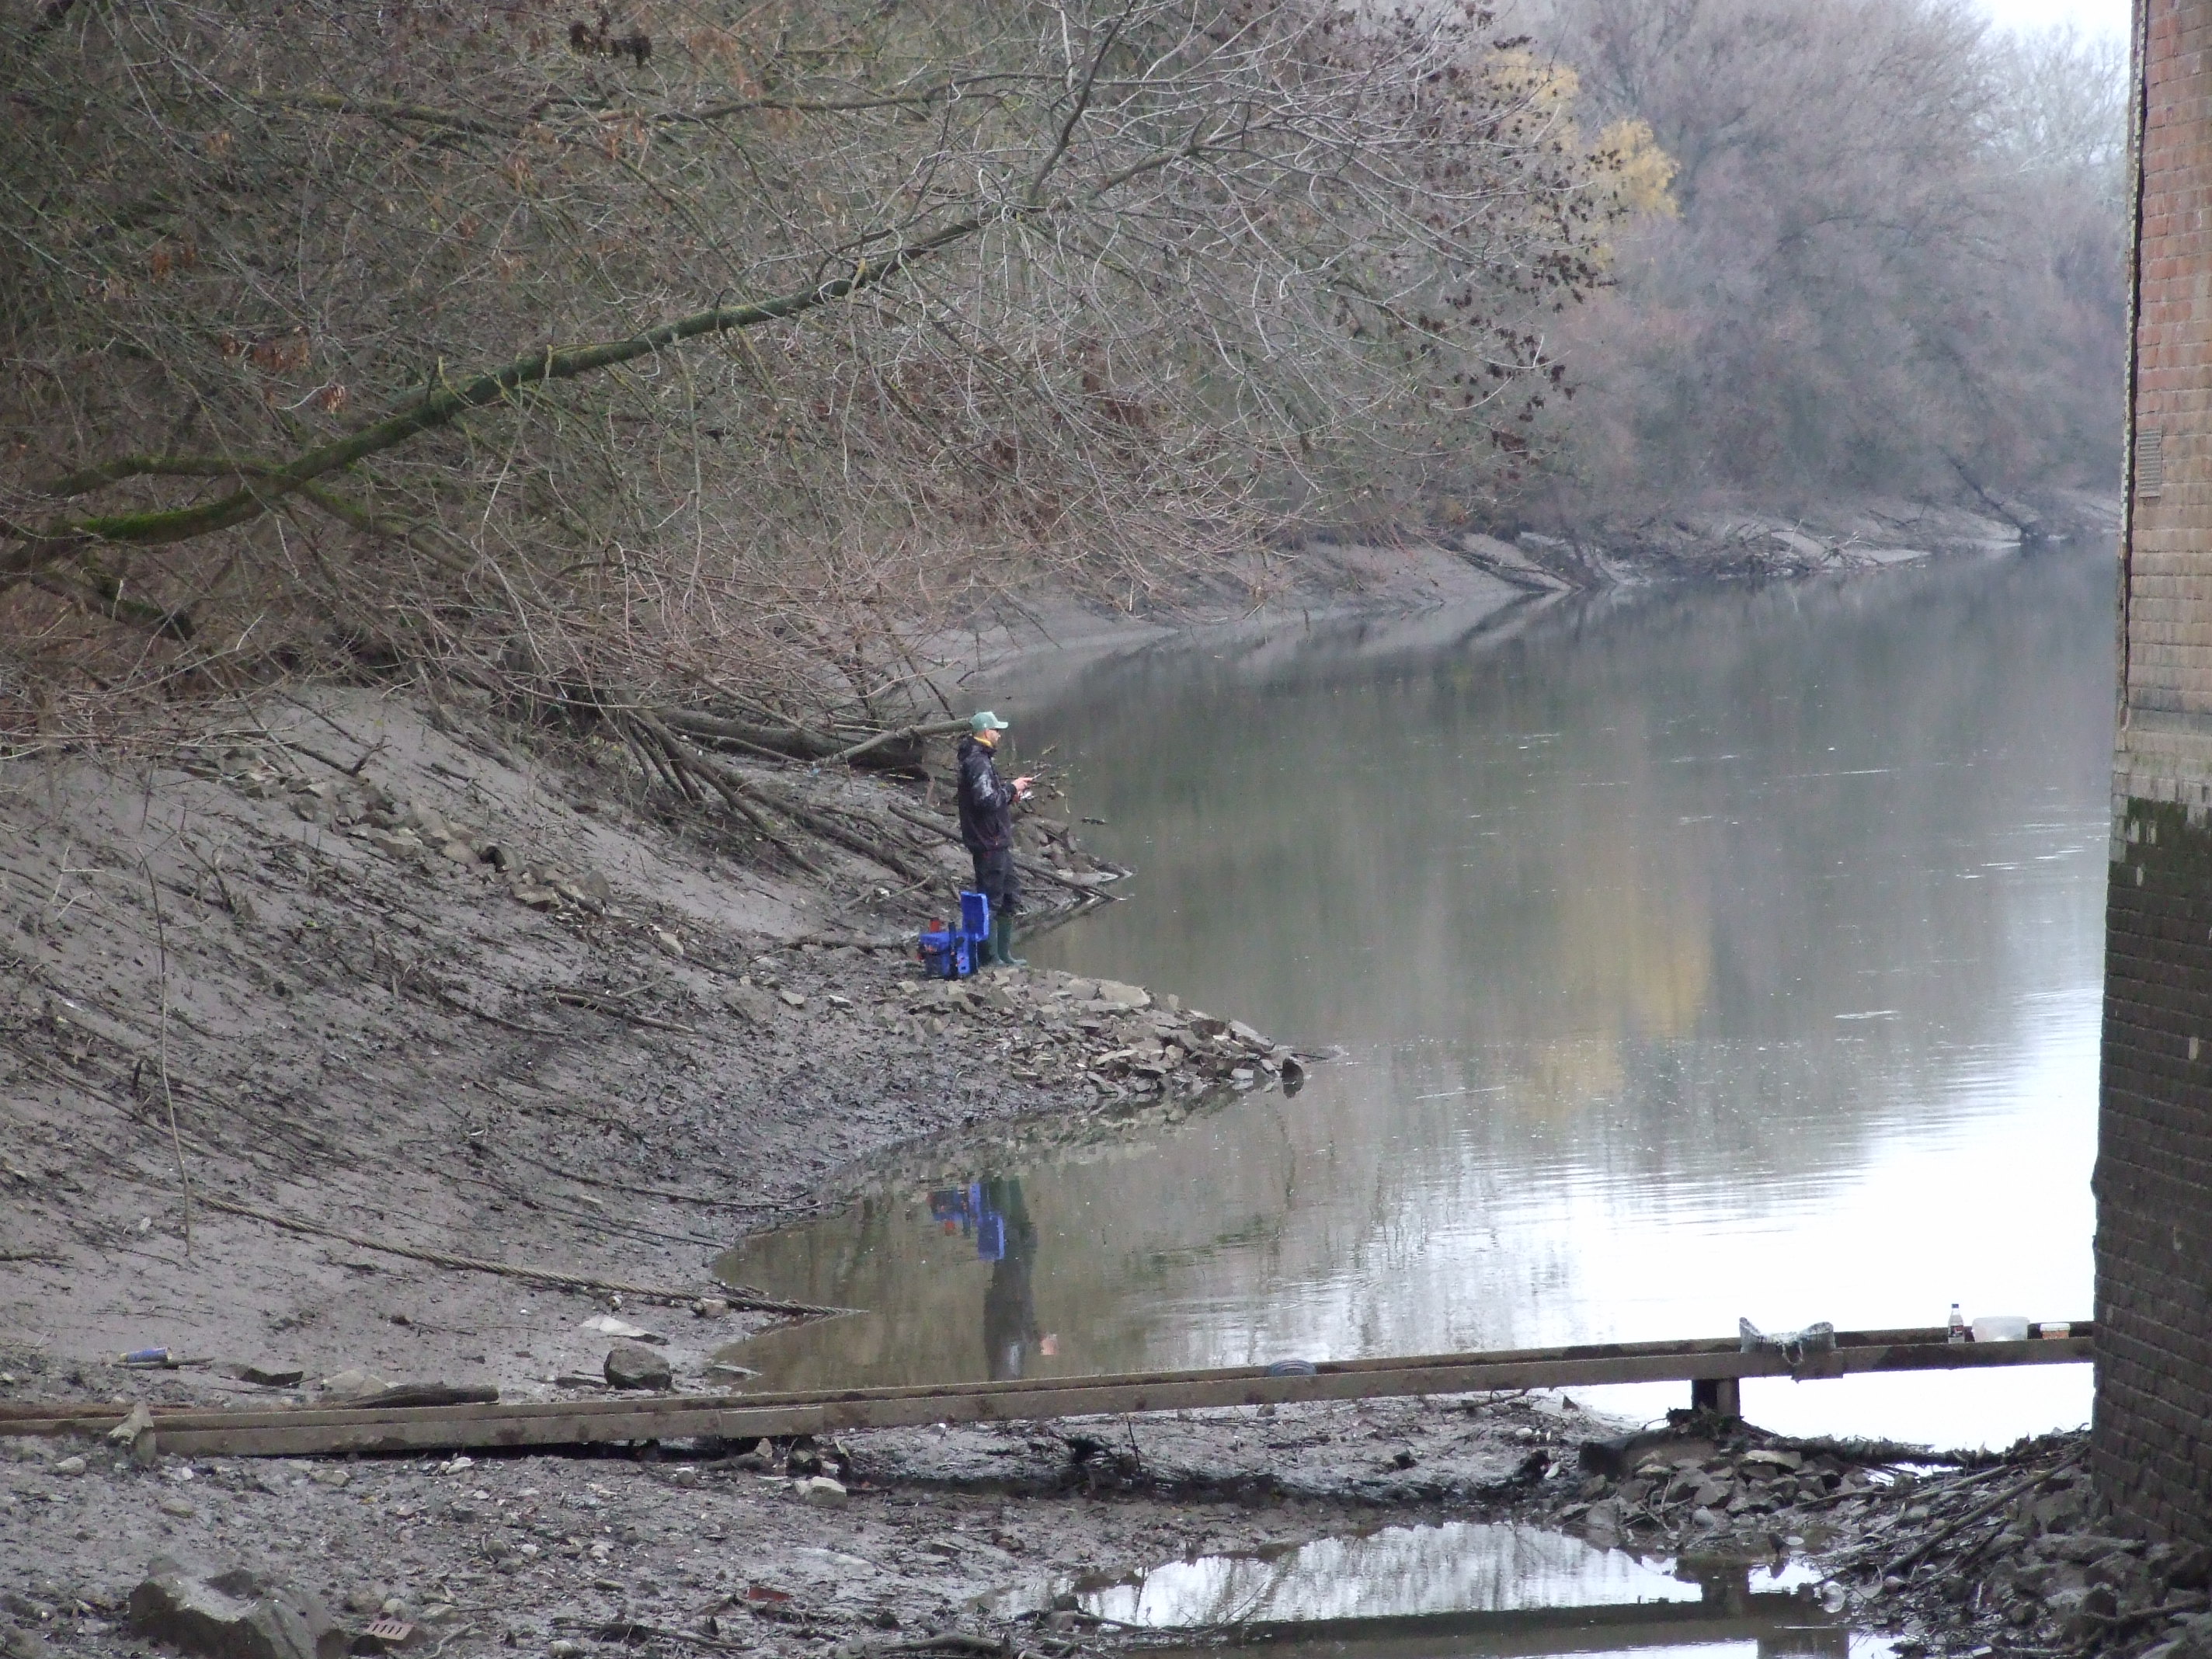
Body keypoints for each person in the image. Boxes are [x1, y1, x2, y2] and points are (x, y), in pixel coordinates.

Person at [955, 710, 1032, 968]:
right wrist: (1012, 788)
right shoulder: (977, 761)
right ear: (987, 732)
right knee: (991, 899)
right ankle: (988, 958)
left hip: (996, 841)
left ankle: (1004, 956)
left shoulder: (980, 759)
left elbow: (990, 796)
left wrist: (1009, 793)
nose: (1000, 734)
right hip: (988, 842)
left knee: (1010, 896)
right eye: (997, 730)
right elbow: (986, 800)